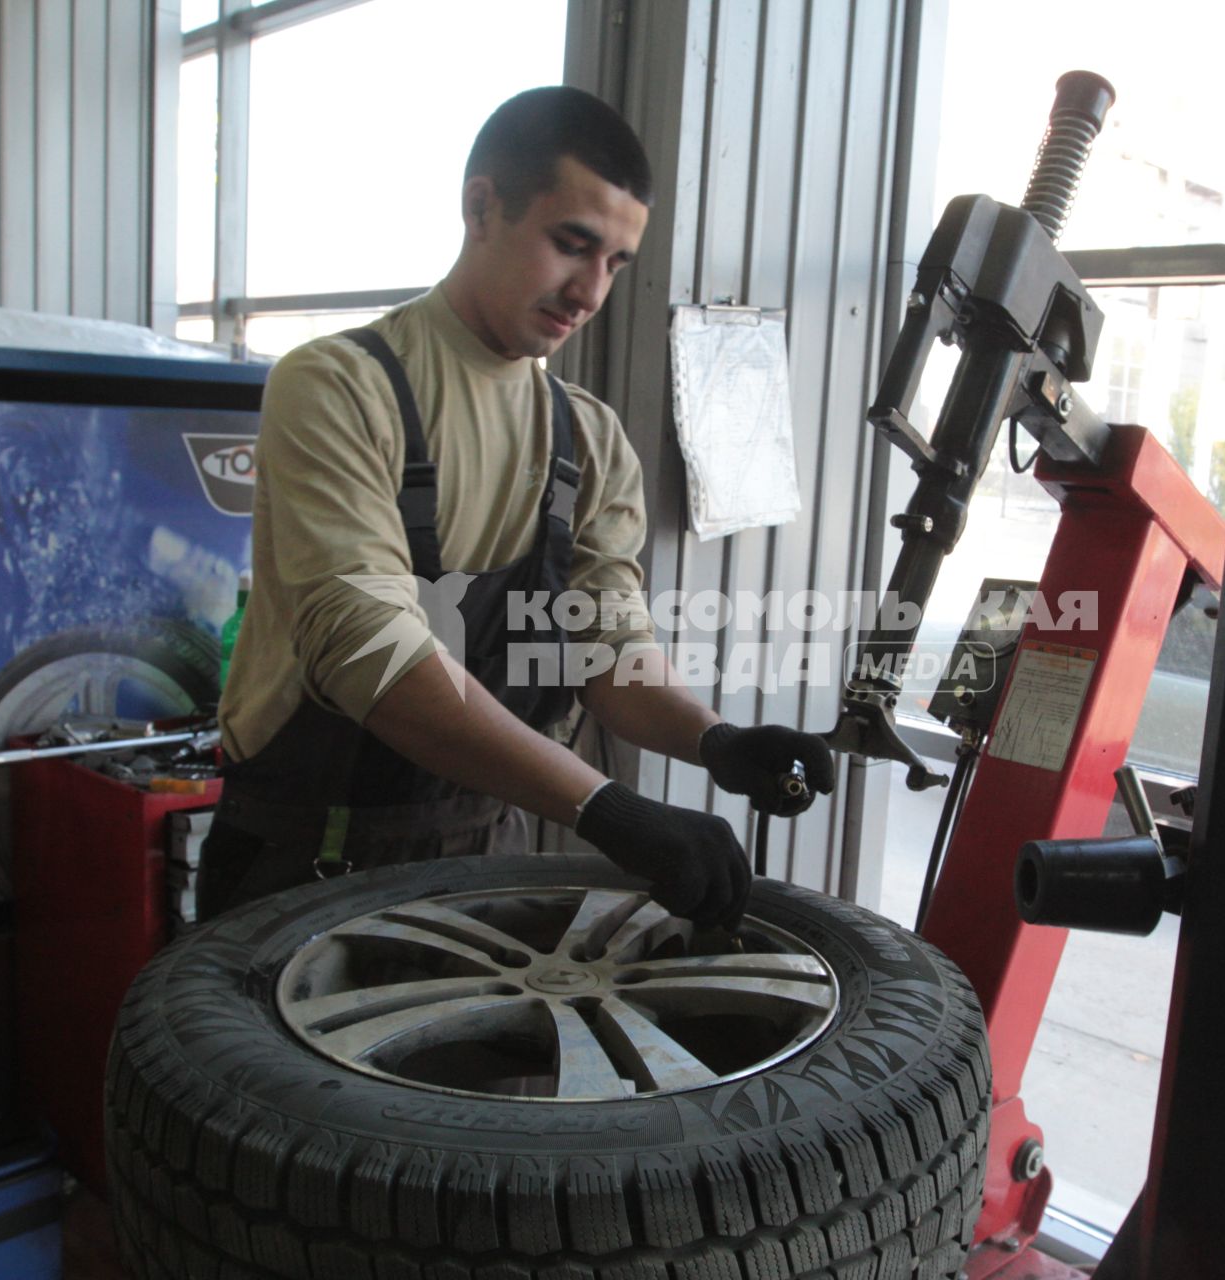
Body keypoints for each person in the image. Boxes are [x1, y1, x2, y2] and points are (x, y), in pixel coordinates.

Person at [202, 86, 834, 926]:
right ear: (480, 207)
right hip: (303, 868)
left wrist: (714, 740)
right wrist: (607, 809)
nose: (591, 291)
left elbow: (605, 648)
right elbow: (367, 650)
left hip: (488, 861)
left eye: (615, 263)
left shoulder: (589, 441)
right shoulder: (338, 386)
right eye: (572, 245)